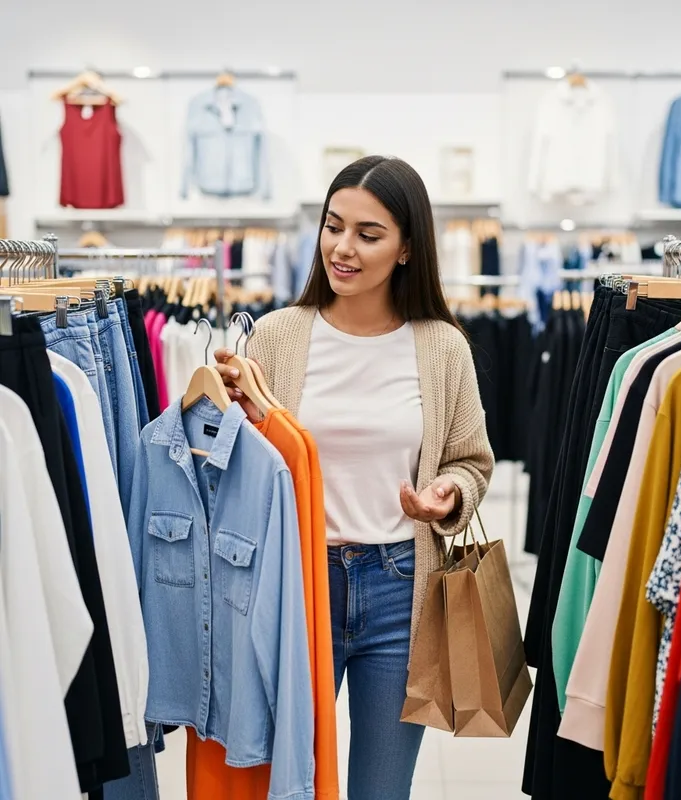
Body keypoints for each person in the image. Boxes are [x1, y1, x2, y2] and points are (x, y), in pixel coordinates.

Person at [214, 155, 493, 799]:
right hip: (297, 585)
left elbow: (471, 459)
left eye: (369, 235)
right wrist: (229, 415)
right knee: (289, 783)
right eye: (333, 226)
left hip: (401, 589)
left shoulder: (442, 346)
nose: (343, 248)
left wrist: (447, 494)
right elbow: (240, 468)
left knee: (382, 791)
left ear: (405, 250)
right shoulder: (278, 335)